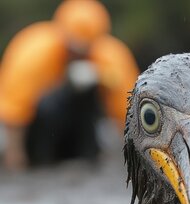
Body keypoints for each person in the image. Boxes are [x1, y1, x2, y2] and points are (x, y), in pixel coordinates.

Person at [0, 0, 139, 171]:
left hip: (79, 131)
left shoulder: (111, 58)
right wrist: (15, 156)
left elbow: (127, 112)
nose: (79, 55)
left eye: (86, 49)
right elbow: (14, 112)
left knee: (88, 90)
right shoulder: (34, 54)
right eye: (73, 48)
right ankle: (42, 161)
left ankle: (87, 159)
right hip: (40, 130)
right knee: (49, 106)